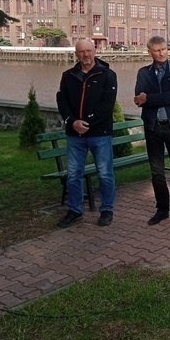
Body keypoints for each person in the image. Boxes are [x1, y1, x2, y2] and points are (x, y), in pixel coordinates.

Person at [56, 39, 118, 228]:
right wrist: (72, 122)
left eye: (89, 51)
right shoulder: (68, 76)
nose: (86, 55)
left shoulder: (107, 75)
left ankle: (106, 209)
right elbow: (62, 101)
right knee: (74, 174)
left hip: (100, 133)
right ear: (76, 54)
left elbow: (107, 105)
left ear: (95, 51)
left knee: (105, 173)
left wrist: (87, 123)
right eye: (81, 52)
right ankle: (75, 210)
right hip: (75, 135)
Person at [134, 35, 170, 227]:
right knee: (157, 171)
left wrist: (148, 98)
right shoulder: (143, 72)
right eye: (157, 50)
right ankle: (162, 209)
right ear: (149, 52)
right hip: (152, 126)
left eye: (164, 49)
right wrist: (155, 98)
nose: (161, 53)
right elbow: (137, 98)